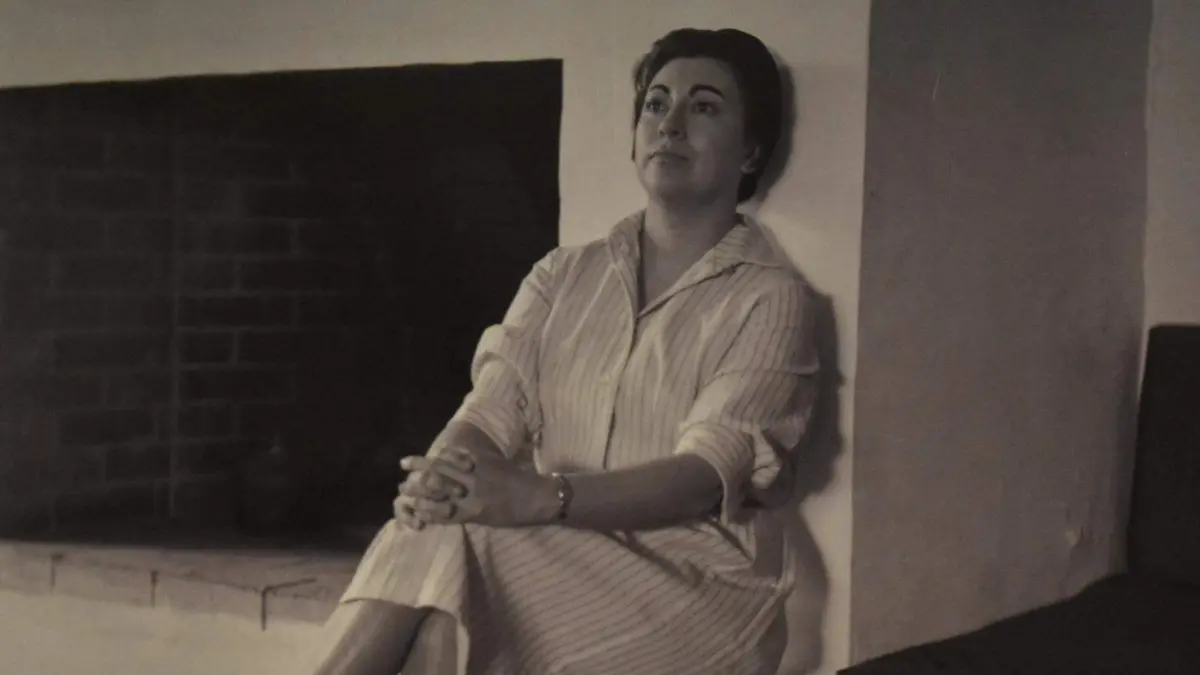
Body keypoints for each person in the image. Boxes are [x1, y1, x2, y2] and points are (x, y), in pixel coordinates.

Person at [306, 27, 819, 675]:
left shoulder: (769, 297)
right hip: (553, 550)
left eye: (704, 106)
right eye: (656, 104)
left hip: (692, 583)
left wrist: (538, 497)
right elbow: (489, 412)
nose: (671, 124)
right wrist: (442, 481)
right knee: (436, 547)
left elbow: (701, 477)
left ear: (750, 151)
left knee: (461, 566)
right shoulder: (562, 275)